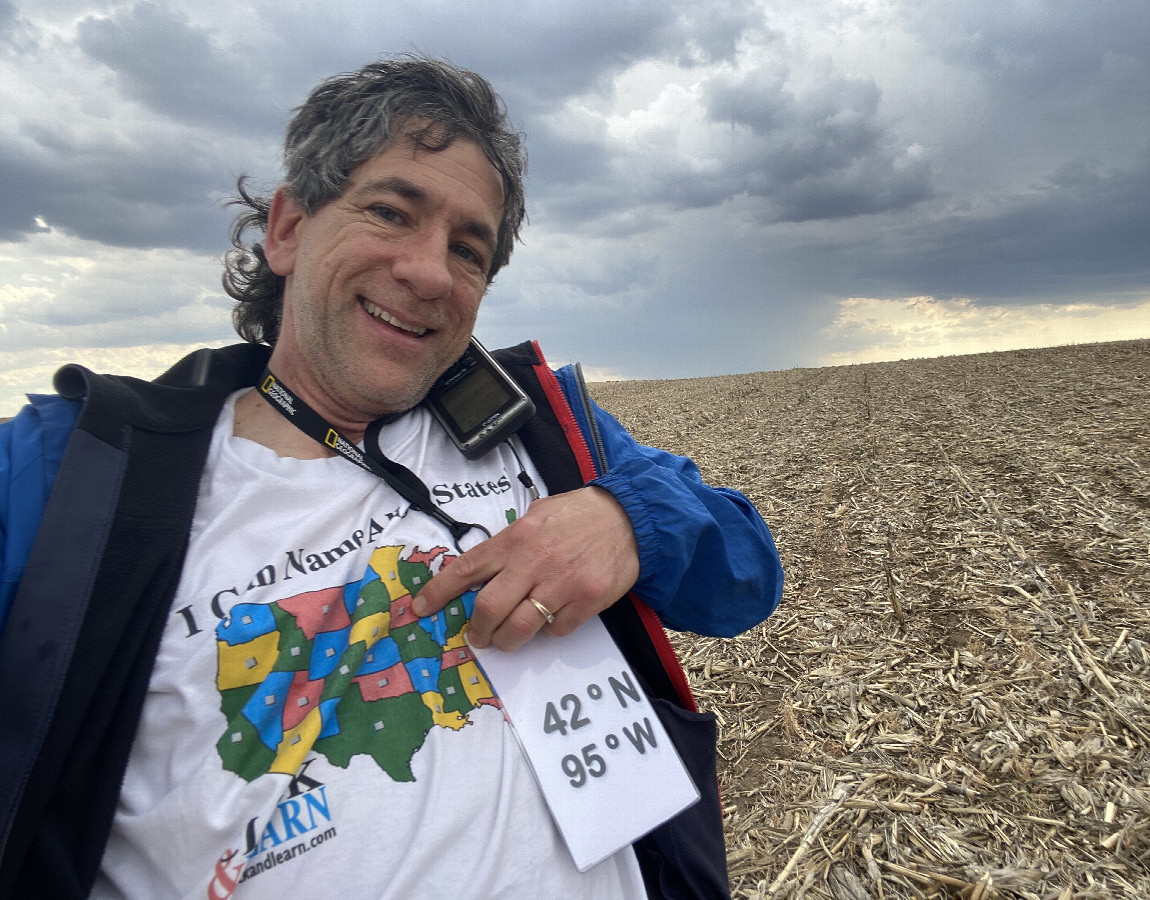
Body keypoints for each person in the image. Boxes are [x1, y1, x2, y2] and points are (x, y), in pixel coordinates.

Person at [0, 56, 782, 899]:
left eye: (468, 249)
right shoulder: (81, 474)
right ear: (289, 228)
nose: (430, 272)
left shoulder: (531, 424)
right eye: (389, 212)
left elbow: (745, 576)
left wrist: (626, 519)